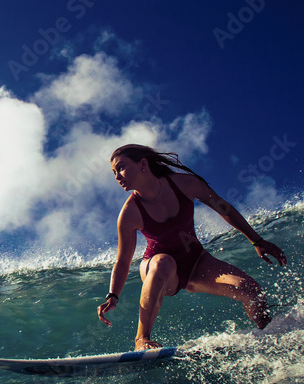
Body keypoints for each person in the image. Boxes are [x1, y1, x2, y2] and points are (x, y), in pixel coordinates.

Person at [97, 144, 287, 350]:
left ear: (143, 164)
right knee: (163, 261)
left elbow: (223, 208)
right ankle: (141, 339)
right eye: (114, 172)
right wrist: (113, 295)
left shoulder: (184, 184)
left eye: (121, 168)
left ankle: (268, 335)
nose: (117, 176)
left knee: (251, 290)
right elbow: (123, 260)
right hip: (159, 270)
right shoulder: (130, 213)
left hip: (196, 261)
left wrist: (256, 240)